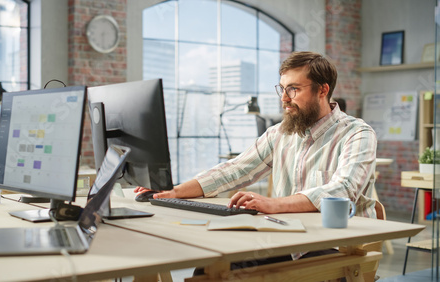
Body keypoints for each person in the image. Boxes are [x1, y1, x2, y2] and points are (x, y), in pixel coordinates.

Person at [135, 51, 377, 267]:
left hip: (337, 245)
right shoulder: (280, 133)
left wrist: (273, 204)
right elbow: (234, 170)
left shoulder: (357, 133)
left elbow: (343, 190)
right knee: (212, 264)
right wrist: (175, 191)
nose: (284, 98)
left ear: (322, 90)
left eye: (293, 89)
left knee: (229, 269)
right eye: (281, 89)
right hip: (288, 236)